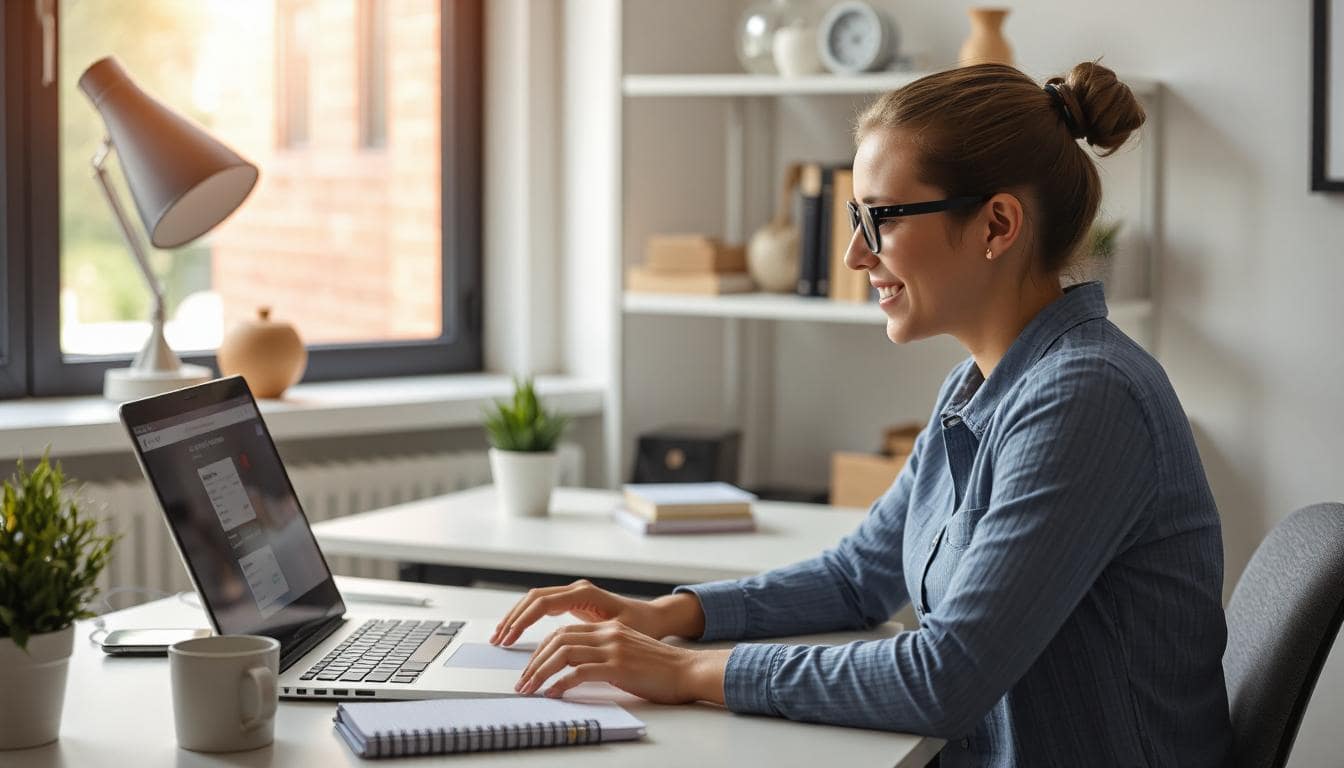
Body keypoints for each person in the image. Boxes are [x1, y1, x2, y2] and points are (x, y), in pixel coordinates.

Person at [489, 61, 1232, 767]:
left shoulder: (1085, 399)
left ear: (998, 227)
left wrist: (688, 672)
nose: (852, 254)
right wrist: (669, 615)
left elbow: (946, 677)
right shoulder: (977, 387)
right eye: (854, 216)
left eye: (880, 218)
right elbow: (856, 578)